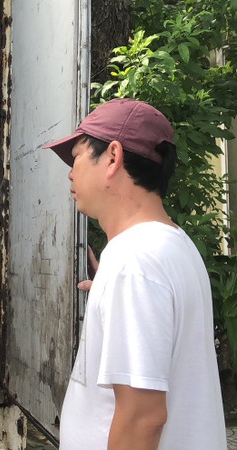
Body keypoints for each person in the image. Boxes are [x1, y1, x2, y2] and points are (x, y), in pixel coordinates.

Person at [44, 98, 227, 450]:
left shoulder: (135, 263)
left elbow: (143, 419)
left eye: (77, 156)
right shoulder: (171, 245)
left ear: (113, 157)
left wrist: (124, 282)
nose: (70, 171)